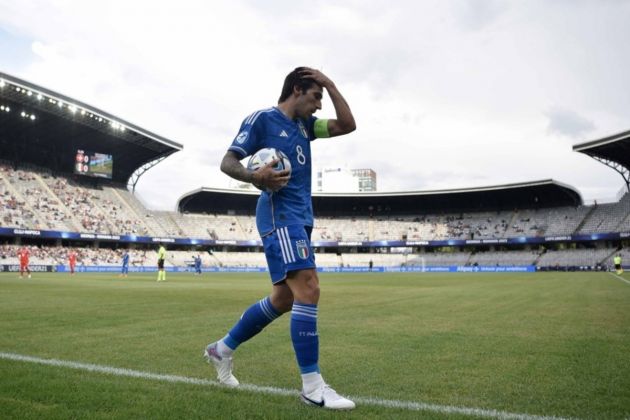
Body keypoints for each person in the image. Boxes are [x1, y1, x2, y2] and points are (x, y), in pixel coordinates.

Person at [204, 67, 356, 410]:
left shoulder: (306, 127)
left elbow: (347, 125)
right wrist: (254, 176)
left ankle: (221, 349)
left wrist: (330, 85)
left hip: (301, 218)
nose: (319, 106)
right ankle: (312, 387)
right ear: (298, 89)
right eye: (316, 97)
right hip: (279, 213)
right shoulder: (263, 119)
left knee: (284, 299)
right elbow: (228, 162)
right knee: (309, 288)